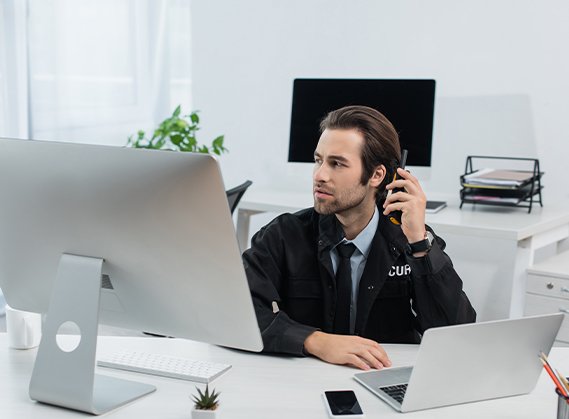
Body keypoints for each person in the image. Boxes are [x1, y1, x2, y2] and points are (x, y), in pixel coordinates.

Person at [243, 105, 476, 371]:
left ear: (376, 175)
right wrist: (315, 340)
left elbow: (457, 335)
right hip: (304, 377)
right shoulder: (283, 235)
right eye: (318, 160)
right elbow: (238, 314)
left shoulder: (412, 241)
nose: (319, 175)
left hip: (385, 375)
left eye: (337, 164)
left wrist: (419, 244)